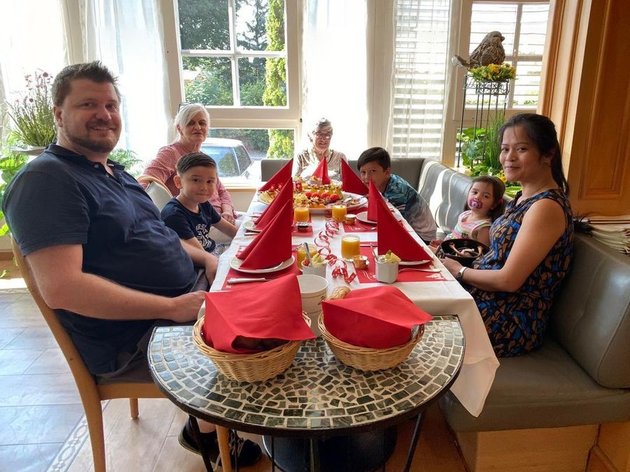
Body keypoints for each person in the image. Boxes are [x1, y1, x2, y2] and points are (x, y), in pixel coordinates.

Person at [1, 62, 260, 466]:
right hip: (137, 336)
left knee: (273, 289)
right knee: (265, 332)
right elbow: (63, 287)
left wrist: (208, 258)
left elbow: (162, 237)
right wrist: (173, 307)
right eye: (88, 104)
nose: (104, 114)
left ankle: (219, 425)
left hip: (185, 296)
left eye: (111, 104)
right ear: (58, 113)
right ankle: (218, 432)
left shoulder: (112, 173)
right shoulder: (48, 180)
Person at [440, 113, 574, 358]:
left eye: (521, 149)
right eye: (505, 149)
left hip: (509, 317)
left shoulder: (546, 207)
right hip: (486, 297)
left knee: (418, 325)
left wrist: (458, 271)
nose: (508, 158)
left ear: (548, 154)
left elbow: (509, 280)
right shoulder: (523, 198)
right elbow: (498, 254)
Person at [140, 103, 238, 225]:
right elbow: (146, 181)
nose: (198, 127)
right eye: (191, 123)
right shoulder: (170, 153)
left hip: (219, 217)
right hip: (197, 223)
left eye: (202, 123)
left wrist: (227, 211)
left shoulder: (202, 157)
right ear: (179, 128)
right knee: (256, 233)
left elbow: (221, 191)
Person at [161, 152, 237, 255]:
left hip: (212, 250)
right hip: (201, 263)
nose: (204, 188)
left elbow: (229, 229)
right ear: (178, 182)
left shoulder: (203, 204)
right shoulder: (174, 214)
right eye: (196, 180)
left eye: (210, 181)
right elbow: (200, 255)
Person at [357, 146, 437, 242]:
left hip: (422, 237)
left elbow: (394, 225)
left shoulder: (397, 192)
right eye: (363, 172)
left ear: (386, 172)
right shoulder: (385, 182)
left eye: (373, 171)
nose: (367, 177)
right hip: (409, 229)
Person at [439, 175, 506, 247]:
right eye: (475, 192)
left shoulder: (483, 228)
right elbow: (454, 235)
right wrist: (442, 243)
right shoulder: (465, 215)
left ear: (494, 204)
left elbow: (481, 253)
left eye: (486, 196)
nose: (477, 197)